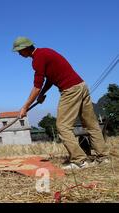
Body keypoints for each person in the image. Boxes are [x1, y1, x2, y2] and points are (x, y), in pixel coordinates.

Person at [12, 37, 109, 170]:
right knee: (91, 124)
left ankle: (79, 161)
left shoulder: (37, 60)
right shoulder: (45, 52)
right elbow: (50, 78)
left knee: (63, 126)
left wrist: (25, 107)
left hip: (70, 89)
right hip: (81, 85)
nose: (19, 54)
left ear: (26, 48)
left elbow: (36, 86)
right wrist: (41, 96)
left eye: (19, 51)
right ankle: (103, 157)